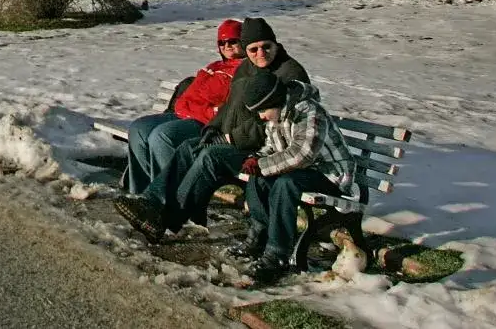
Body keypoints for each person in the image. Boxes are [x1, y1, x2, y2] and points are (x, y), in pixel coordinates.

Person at [114, 17, 310, 244]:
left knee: (209, 156)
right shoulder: (246, 67)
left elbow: (273, 123)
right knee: (189, 148)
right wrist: (212, 127)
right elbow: (230, 106)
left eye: (266, 47)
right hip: (235, 138)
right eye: (253, 49)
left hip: (266, 148)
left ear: (276, 44)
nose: (260, 53)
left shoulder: (290, 73)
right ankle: (151, 201)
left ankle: (167, 218)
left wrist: (230, 137)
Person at [230, 73, 355, 285]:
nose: (261, 116)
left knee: (285, 184)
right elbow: (273, 147)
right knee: (258, 180)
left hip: (330, 174)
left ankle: (277, 254)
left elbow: (302, 154)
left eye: (262, 110)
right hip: (301, 171)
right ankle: (259, 237)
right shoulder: (277, 115)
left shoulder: (308, 112)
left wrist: (263, 165)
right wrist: (257, 158)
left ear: (274, 100)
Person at [124, 19, 245, 194]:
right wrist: (187, 107)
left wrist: (196, 109)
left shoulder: (245, 71)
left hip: (206, 123)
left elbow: (225, 110)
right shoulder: (215, 66)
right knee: (139, 128)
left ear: (243, 41)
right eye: (222, 42)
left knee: (162, 136)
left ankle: (165, 197)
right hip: (184, 113)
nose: (227, 46)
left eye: (232, 41)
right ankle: (140, 192)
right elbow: (187, 96)